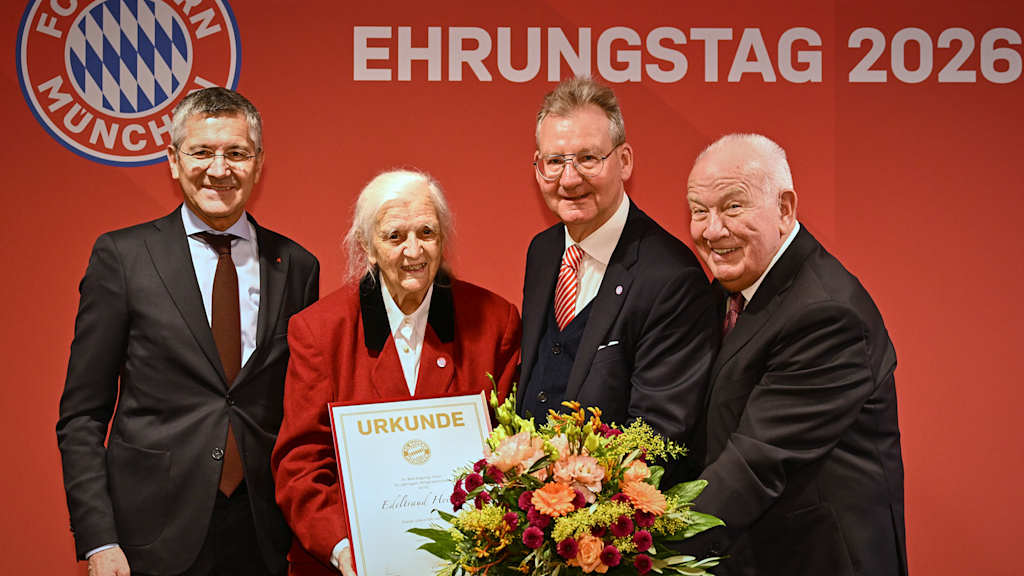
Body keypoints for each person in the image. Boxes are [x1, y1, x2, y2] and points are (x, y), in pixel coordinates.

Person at [56, 87, 320, 576]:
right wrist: (98, 540)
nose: (219, 169)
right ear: (174, 161)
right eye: (202, 151)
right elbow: (82, 416)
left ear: (258, 163)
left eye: (236, 153)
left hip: (262, 533)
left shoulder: (297, 266)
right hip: (148, 540)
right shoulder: (123, 257)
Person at [271, 169, 521, 576]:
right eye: (394, 236)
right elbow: (300, 463)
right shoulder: (320, 331)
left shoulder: (495, 322)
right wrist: (343, 548)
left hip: (468, 561)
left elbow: (509, 450)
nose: (414, 251)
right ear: (368, 246)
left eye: (427, 232)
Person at [680, 133, 906, 575]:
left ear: (784, 209)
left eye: (732, 207)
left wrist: (647, 545)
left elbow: (755, 463)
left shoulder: (826, 314)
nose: (711, 230)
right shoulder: (731, 288)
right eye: (698, 211)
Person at [517, 76, 716, 449]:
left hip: (607, 500)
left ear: (624, 161)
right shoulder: (542, 252)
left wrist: (573, 492)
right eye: (555, 161)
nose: (569, 178)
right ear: (537, 167)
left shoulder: (672, 278)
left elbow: (657, 434)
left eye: (588, 158)